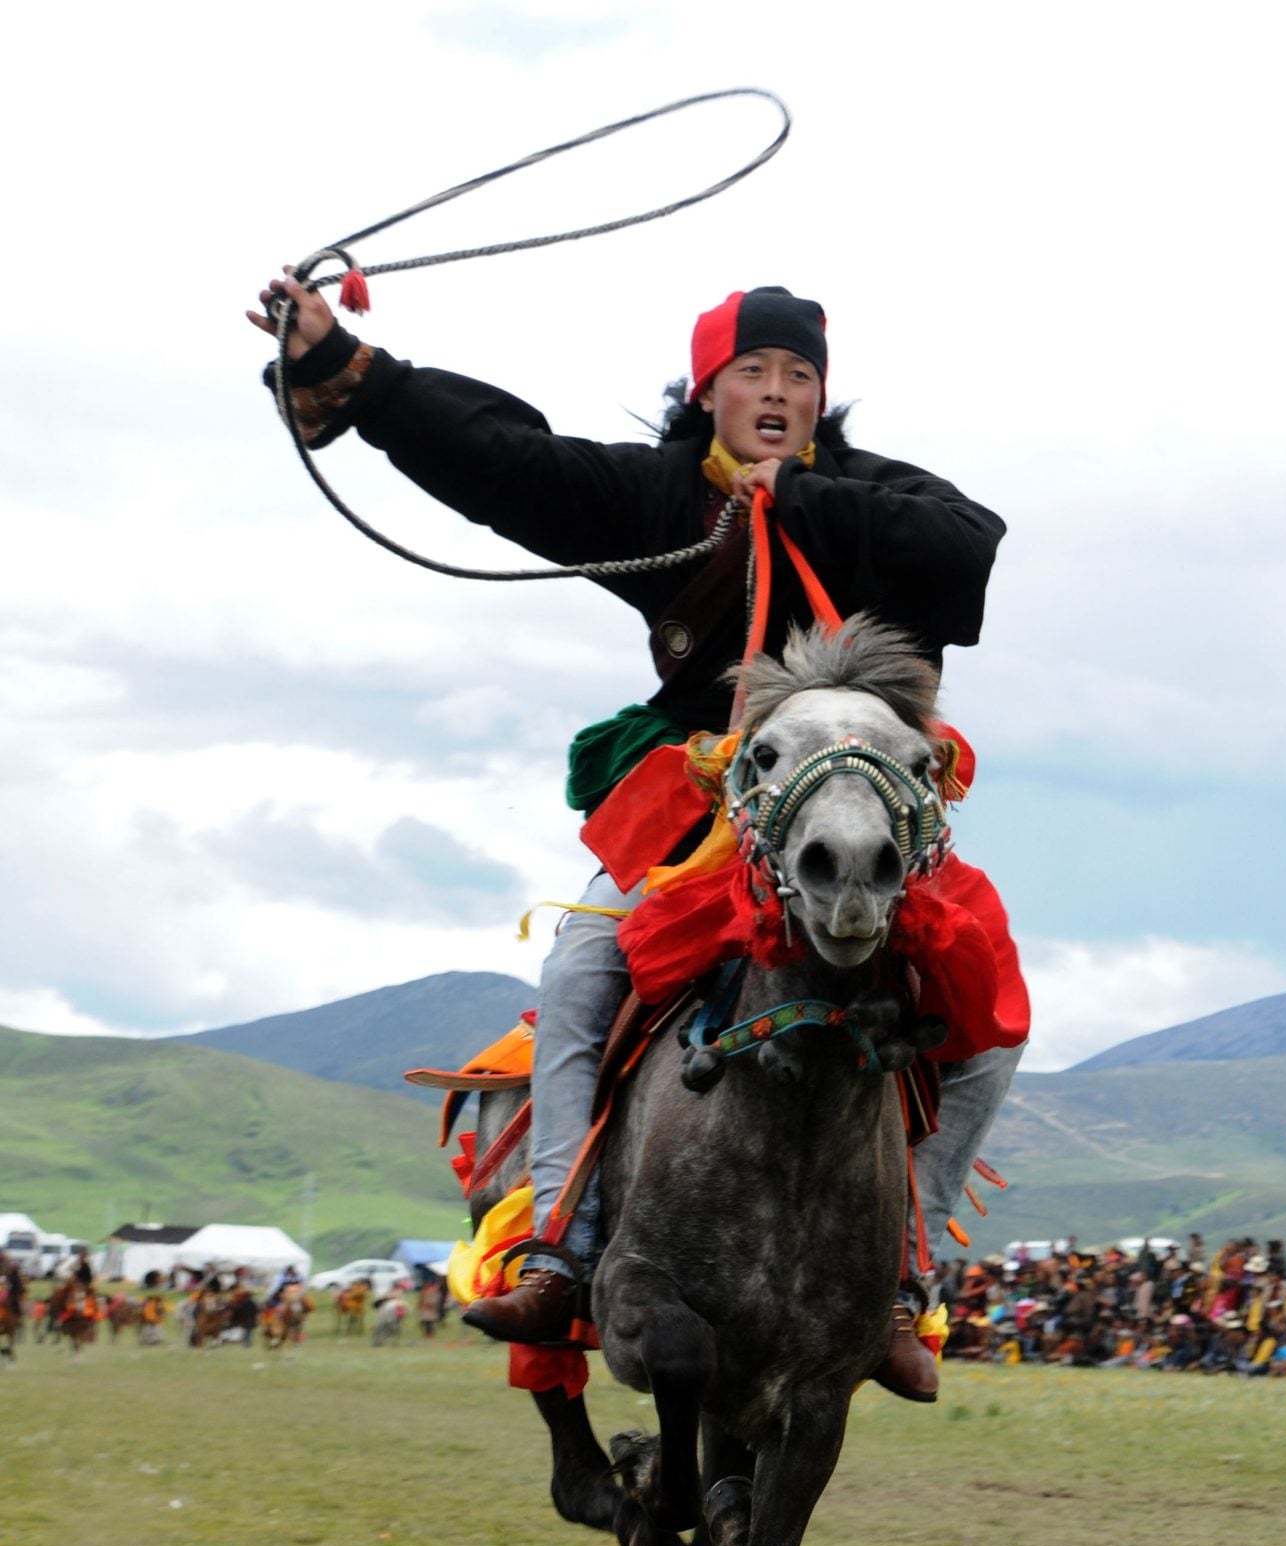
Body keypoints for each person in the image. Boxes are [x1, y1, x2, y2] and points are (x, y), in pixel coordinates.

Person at [246, 275, 1014, 1398]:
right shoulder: (663, 495)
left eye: (799, 376)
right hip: (709, 808)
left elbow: (970, 547)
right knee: (580, 965)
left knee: (989, 1011)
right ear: (708, 388)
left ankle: (904, 1275)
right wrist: (348, 370)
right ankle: (562, 1243)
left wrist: (795, 503)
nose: (777, 390)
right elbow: (514, 464)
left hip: (857, 811)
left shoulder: (869, 491)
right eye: (752, 371)